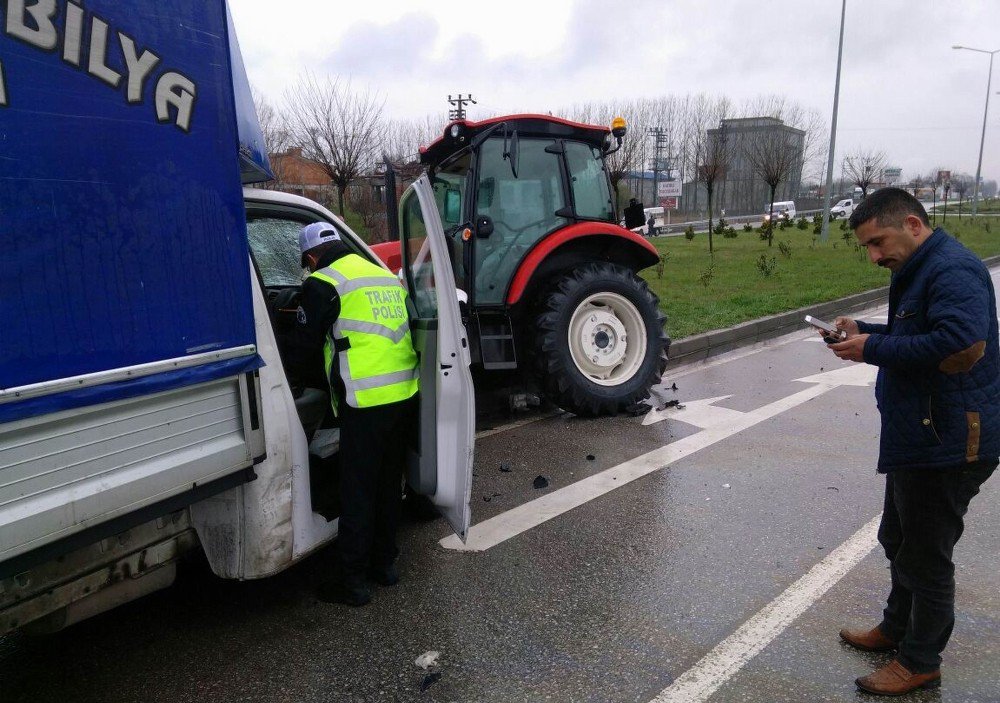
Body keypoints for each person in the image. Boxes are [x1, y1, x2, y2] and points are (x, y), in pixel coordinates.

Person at [825, 188, 999, 696]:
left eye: (879, 242)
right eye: (867, 248)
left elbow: (961, 341)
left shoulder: (952, 269)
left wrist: (871, 348)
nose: (875, 256)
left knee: (926, 555)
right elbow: (920, 329)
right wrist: (864, 329)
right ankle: (897, 628)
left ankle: (921, 661)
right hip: (919, 433)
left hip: (946, 439)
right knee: (898, 540)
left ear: (913, 224)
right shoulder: (921, 267)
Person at [288, 222, 420, 607]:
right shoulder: (382, 276)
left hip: (363, 402)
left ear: (311, 257)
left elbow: (301, 348)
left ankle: (352, 582)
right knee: (387, 485)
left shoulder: (324, 283)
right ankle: (385, 566)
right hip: (403, 394)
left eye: (307, 263)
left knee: (357, 492)